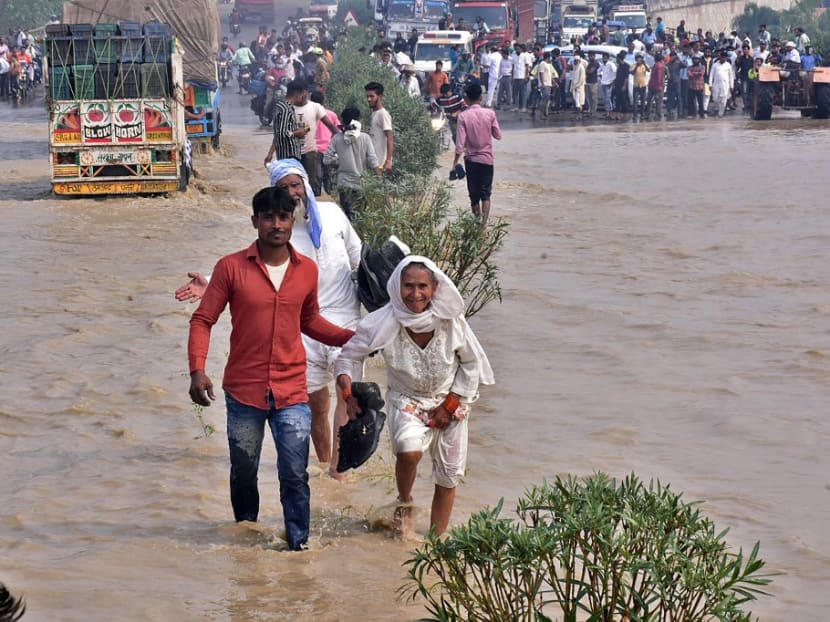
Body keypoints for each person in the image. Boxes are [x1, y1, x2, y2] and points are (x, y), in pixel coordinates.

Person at [186, 185, 355, 551]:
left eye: (283, 217)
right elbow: (203, 320)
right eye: (268, 218)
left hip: (293, 390)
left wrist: (351, 338)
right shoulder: (230, 268)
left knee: (294, 473)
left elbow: (310, 321)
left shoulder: (306, 271)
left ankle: (299, 547)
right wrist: (197, 370)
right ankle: (246, 545)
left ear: (292, 222)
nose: (276, 225)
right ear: (254, 222)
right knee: (244, 473)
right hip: (244, 392)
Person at [334, 256, 494, 536]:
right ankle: (404, 501)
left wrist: (451, 404)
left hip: (451, 400)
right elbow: (349, 356)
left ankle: (435, 540)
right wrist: (348, 391)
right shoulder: (382, 323)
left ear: (435, 288)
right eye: (408, 286)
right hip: (406, 400)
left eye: (423, 286)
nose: (416, 294)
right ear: (397, 287)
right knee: (409, 451)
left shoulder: (450, 321)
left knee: (448, 475)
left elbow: (471, 364)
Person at [452, 83, 502, 223]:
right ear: (481, 97)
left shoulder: (463, 117)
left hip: (471, 161)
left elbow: (460, 144)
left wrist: (455, 163)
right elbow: (498, 135)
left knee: (474, 195)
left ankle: (476, 224)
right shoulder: (490, 114)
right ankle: (484, 225)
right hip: (487, 160)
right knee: (486, 194)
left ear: (466, 99)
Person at [323, 107, 380, 219]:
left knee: (348, 217)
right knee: (361, 216)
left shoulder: (337, 138)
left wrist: (339, 162)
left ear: (343, 121)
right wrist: (379, 179)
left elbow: (326, 160)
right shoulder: (365, 138)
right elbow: (373, 160)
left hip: (344, 184)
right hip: (361, 184)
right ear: (358, 120)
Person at [288, 80, 338, 196]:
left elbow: (330, 126)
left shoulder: (315, 108)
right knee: (322, 177)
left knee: (312, 182)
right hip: (316, 150)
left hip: (311, 151)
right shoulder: (287, 109)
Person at [264, 80, 304, 164]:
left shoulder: (282, 106)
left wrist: (270, 153)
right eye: (302, 95)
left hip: (284, 155)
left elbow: (278, 134)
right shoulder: (286, 109)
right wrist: (297, 132)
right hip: (290, 155)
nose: (302, 98)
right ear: (297, 94)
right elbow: (283, 133)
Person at [310, 91, 339, 195]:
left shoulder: (308, 115)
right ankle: (329, 195)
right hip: (328, 149)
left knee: (316, 176)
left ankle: (317, 197)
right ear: (323, 101)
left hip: (313, 150)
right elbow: (337, 131)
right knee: (328, 174)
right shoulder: (331, 114)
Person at [365, 82, 394, 173]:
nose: (369, 99)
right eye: (367, 96)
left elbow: (390, 137)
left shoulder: (383, 114)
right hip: (373, 162)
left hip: (380, 163)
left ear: (380, 97)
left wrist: (388, 161)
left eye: (372, 96)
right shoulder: (374, 113)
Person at [709, 50, 734, 118]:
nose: (723, 58)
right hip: (716, 84)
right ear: (720, 57)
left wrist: (731, 86)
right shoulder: (715, 65)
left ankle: (721, 113)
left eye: (725, 57)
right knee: (715, 98)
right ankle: (717, 109)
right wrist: (710, 84)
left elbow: (731, 76)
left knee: (724, 99)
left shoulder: (728, 65)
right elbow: (711, 75)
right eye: (722, 57)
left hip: (725, 85)